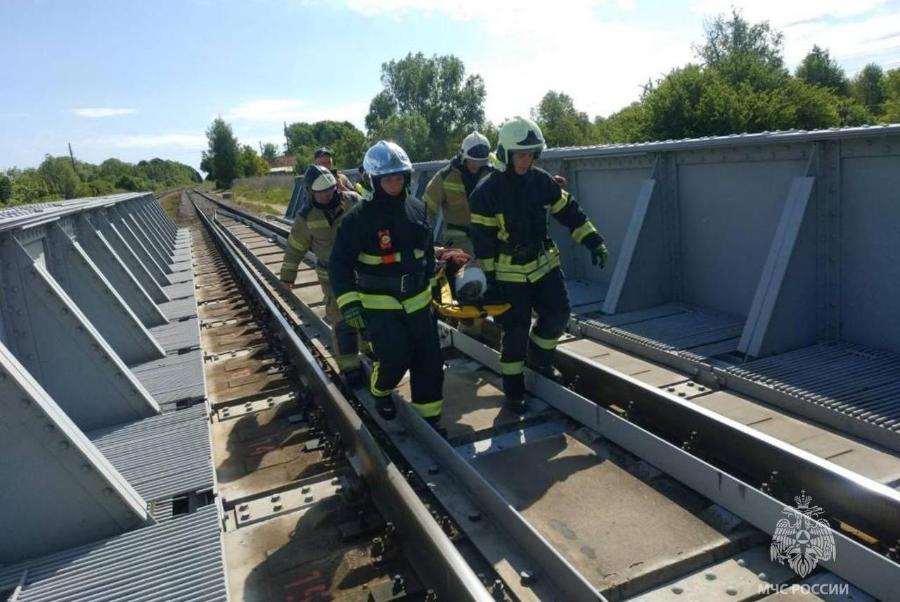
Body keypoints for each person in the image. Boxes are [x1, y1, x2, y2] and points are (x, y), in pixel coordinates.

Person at [469, 116, 609, 412]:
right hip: (509, 275)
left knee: (558, 314)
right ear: (506, 154)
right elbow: (483, 243)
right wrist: (490, 283)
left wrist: (592, 240)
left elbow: (568, 211)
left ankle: (540, 361)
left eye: (532, 154)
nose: (527, 160)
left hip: (544, 266)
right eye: (521, 154)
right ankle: (513, 389)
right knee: (515, 331)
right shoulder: (486, 193)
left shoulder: (541, 181)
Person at [329, 141, 445, 429]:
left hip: (418, 302)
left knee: (429, 363)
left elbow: (427, 255)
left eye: (399, 177)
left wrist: (435, 293)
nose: (394, 183)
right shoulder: (356, 220)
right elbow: (339, 265)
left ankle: (429, 423)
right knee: (395, 357)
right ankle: (380, 390)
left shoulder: (418, 209)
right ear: (373, 180)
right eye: (387, 178)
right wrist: (350, 304)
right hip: (379, 303)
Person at [280, 165, 364, 386]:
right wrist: (288, 276)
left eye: (329, 189)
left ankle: (370, 352)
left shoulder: (353, 201)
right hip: (331, 276)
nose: (326, 195)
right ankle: (350, 367)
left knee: (369, 313)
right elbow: (295, 248)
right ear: (310, 192)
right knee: (341, 319)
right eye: (320, 192)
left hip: (361, 269)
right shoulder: (306, 217)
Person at [423, 131, 493, 255]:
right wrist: (423, 242)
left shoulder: (493, 176)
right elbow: (426, 211)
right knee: (471, 273)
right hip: (457, 243)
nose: (477, 165)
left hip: (488, 239)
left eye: (481, 162)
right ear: (462, 155)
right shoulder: (444, 177)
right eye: (472, 161)